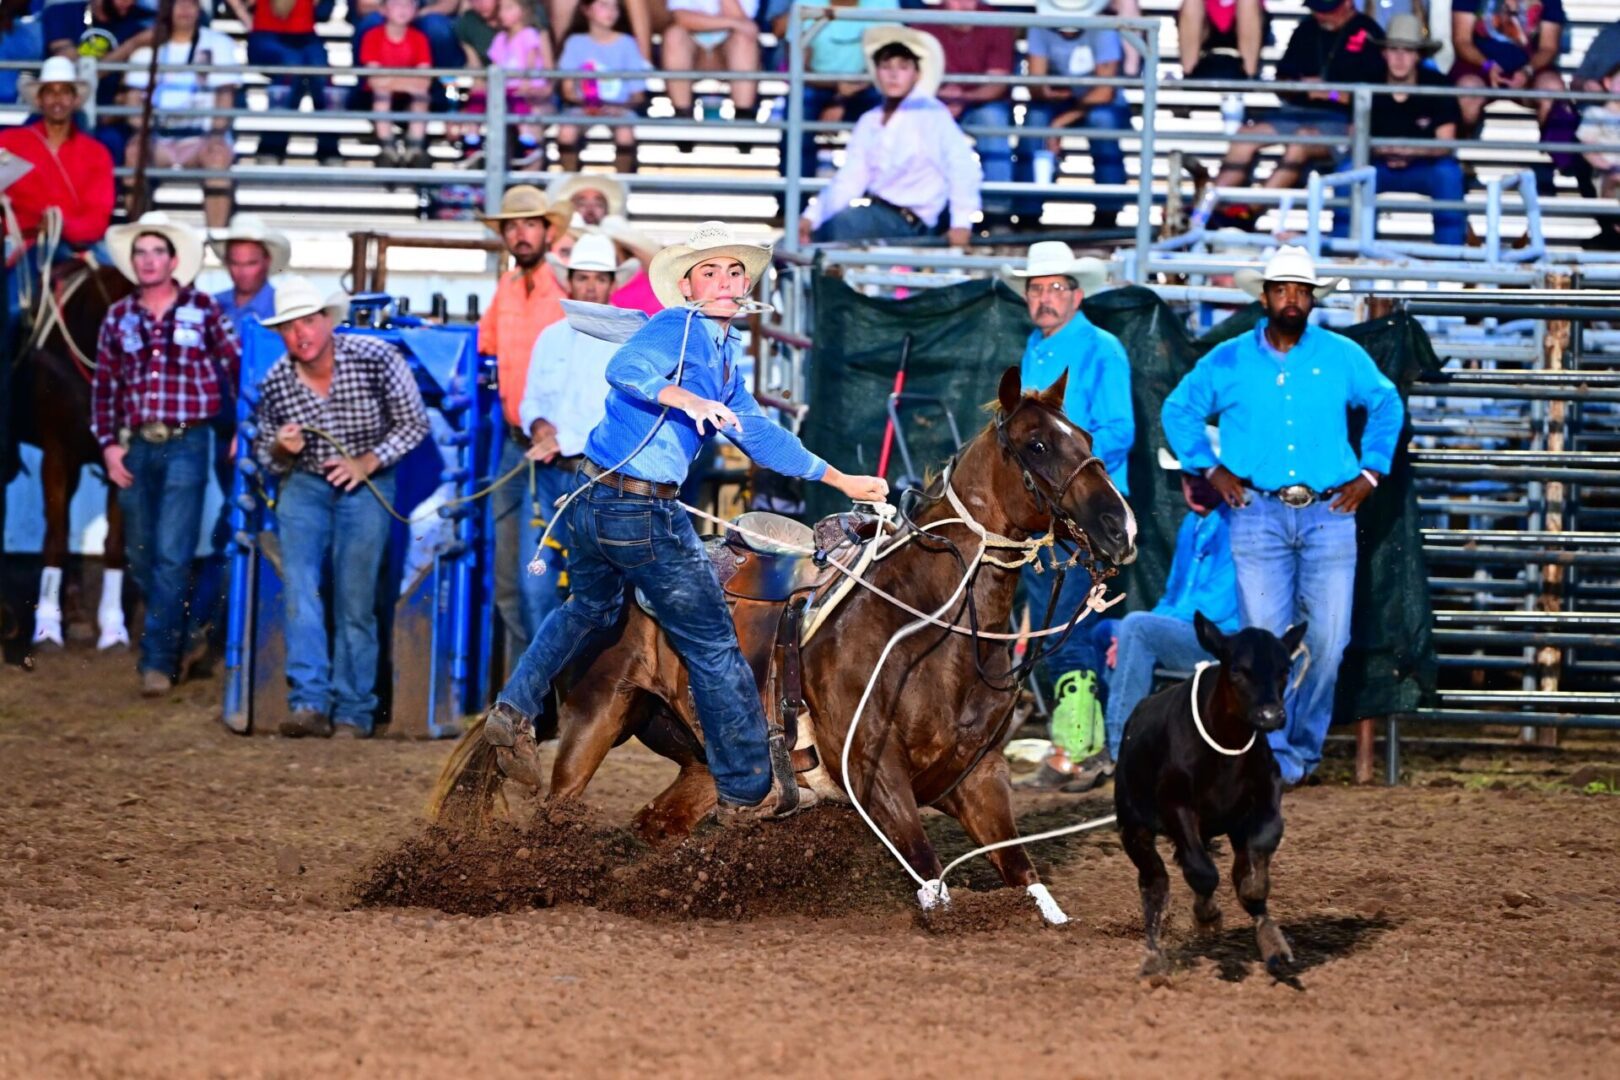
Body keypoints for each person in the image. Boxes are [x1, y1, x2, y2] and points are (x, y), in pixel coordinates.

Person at [481, 220, 890, 823]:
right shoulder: (677, 327)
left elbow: (760, 436)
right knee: (712, 642)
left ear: (745, 285)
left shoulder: (721, 354)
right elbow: (626, 367)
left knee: (588, 608)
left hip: (591, 496)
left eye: (734, 271)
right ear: (688, 286)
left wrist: (839, 480)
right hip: (639, 510)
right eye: (710, 271)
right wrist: (686, 399)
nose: (725, 281)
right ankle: (747, 789)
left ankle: (514, 709)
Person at [1161, 245, 1404, 785]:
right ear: (1265, 297)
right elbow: (1178, 409)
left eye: (1300, 290)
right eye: (1281, 289)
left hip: (1328, 511)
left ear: (1312, 298)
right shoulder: (1228, 359)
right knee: (1264, 643)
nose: (1291, 298)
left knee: (1329, 643)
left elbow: (1386, 402)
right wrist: (1208, 467)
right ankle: (1273, 755)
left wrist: (1371, 473)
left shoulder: (1341, 355)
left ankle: (1298, 752)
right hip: (1258, 512)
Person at [251, 277, 430, 738]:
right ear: (281, 334)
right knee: (301, 589)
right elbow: (263, 453)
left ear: (328, 321)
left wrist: (367, 462)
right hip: (306, 482)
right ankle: (309, 701)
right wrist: (281, 449)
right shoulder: (276, 383)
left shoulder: (376, 358)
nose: (301, 334)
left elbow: (414, 423)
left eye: (308, 322)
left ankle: (354, 708)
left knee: (356, 596)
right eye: (290, 327)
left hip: (368, 482)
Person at [1001, 240, 1135, 787]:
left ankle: (1075, 750)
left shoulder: (1102, 350)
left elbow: (1119, 431)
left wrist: (1067, 473)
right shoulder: (1036, 349)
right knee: (1060, 624)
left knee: (1067, 625)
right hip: (1047, 515)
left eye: (1055, 287)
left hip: (1085, 515)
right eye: (1036, 288)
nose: (1044, 297)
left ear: (1077, 295)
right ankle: (1084, 745)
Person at [91, 211, 240, 697]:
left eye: (157, 252)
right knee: (141, 554)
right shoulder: (118, 316)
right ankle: (183, 634)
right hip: (136, 444)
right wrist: (109, 445)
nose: (148, 260)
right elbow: (105, 387)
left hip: (188, 441)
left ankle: (157, 660)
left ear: (174, 261)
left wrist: (243, 426)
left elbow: (237, 365)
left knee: (173, 555)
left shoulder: (204, 309)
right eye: (141, 252)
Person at [1062, 447, 1241, 793]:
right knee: (1106, 631)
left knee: (1136, 627)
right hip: (1185, 630)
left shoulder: (1235, 525)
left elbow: (1213, 609)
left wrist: (1140, 629)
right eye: (1186, 477)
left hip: (1217, 640)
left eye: (1199, 477)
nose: (1191, 486)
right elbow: (1172, 596)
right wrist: (1125, 636)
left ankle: (1123, 753)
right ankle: (1118, 741)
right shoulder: (1192, 525)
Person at [514, 232, 640, 645]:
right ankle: (545, 678)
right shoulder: (550, 336)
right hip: (548, 475)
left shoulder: (627, 344)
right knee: (535, 586)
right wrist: (537, 424)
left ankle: (585, 675)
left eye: (599, 279)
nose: (590, 287)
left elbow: (619, 419)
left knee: (595, 588)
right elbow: (531, 399)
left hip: (599, 480)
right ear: (569, 281)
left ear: (612, 283)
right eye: (583, 278)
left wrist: (562, 438)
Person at [477, 184, 572, 657]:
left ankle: (548, 682)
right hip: (516, 442)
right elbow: (484, 347)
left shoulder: (566, 287)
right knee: (511, 574)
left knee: (543, 574)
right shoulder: (507, 288)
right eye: (512, 226)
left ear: (547, 231)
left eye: (529, 224)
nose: (520, 234)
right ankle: (525, 686)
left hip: (561, 449)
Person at [1209, 0, 1385, 230]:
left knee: (1301, 141)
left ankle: (1249, 212)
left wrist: (1330, 93)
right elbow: (1282, 80)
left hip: (1339, 119)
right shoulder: (1306, 28)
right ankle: (1207, 208)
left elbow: (1375, 95)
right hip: (1295, 111)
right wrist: (1299, 86)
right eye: (1316, 9)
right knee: (1245, 136)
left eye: (1327, 10)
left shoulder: (1369, 33)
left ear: (1348, 4)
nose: (1320, 15)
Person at [799, 27, 981, 247]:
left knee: (841, 228)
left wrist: (961, 223)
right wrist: (812, 217)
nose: (893, 75)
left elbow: (961, 166)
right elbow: (849, 178)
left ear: (916, 74)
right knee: (794, 241)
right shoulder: (869, 120)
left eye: (903, 67)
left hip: (910, 221)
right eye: (886, 67)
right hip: (873, 214)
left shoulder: (931, 114)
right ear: (876, 72)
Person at [0, 56, 116, 317]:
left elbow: (98, 217)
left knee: (124, 292)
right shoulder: (9, 142)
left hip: (79, 245)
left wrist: (61, 226)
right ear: (40, 100)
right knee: (13, 308)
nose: (57, 100)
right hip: (24, 243)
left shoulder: (96, 153)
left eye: (64, 92)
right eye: (50, 92)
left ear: (74, 100)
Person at [1349, 15, 1467, 247]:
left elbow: (1446, 142)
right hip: (1377, 165)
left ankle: (1451, 255)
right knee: (1347, 173)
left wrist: (1410, 151)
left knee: (1449, 175)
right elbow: (1354, 135)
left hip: (1425, 166)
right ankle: (1347, 252)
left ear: (1418, 55)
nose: (1400, 58)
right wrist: (1384, 151)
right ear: (1384, 53)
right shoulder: (1367, 84)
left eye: (1408, 50)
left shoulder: (1438, 85)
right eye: (1394, 49)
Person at [123, 0, 241, 228]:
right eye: (179, 3)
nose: (185, 9)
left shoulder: (219, 44)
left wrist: (216, 134)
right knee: (134, 152)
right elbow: (133, 101)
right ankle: (136, 232)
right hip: (159, 138)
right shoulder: (148, 45)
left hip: (201, 138)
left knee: (218, 154)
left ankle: (216, 237)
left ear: (199, 9)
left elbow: (225, 97)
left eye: (191, 3)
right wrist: (142, 132)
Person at [1019, 0, 1131, 229]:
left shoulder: (1104, 28)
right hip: (1058, 101)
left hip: (1096, 102)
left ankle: (1108, 210)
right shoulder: (1040, 27)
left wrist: (1059, 123)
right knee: (1035, 120)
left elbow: (1105, 92)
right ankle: (1027, 209)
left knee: (1103, 120)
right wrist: (1046, 92)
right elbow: (1036, 83)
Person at [771, 0, 889, 179]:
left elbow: (889, 58)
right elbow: (797, 65)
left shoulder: (884, 3)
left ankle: (883, 189)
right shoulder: (806, 3)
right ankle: (794, 193)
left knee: (889, 108)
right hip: (816, 85)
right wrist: (839, 92)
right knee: (798, 105)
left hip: (866, 85)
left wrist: (842, 96)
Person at [925, 0, 1015, 223]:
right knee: (919, 120)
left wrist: (962, 97)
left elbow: (997, 84)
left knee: (993, 120)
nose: (964, 4)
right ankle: (927, 212)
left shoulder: (996, 22)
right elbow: (917, 80)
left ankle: (997, 213)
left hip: (980, 104)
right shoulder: (925, 23)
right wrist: (941, 98)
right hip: (935, 103)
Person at [232, 0, 343, 165]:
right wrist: (243, 14)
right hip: (266, 34)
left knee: (322, 73)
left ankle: (329, 148)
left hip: (306, 36)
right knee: (290, 65)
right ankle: (271, 146)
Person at [556, 0, 652, 174]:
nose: (611, 12)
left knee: (625, 133)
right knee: (566, 131)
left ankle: (622, 180)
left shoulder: (627, 44)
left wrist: (617, 107)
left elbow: (638, 93)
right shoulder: (575, 43)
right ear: (587, 10)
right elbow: (568, 90)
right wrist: (590, 104)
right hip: (582, 107)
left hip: (620, 109)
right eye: (604, 5)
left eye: (615, 7)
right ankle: (570, 178)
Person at [1451, 0, 1565, 141]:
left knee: (1553, 89)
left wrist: (1527, 71)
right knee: (1467, 91)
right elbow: (1462, 41)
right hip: (1478, 65)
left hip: (1531, 68)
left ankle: (1554, 148)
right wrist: (1487, 66)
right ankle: (1460, 144)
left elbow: (1548, 48)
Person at [359, 0, 434, 168]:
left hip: (407, 98)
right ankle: (387, 148)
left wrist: (390, 80)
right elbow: (374, 80)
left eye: (408, 5)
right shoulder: (372, 36)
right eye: (396, 4)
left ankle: (415, 147)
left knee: (422, 96)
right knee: (382, 95)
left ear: (415, 10)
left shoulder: (419, 38)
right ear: (384, 10)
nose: (403, 10)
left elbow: (424, 80)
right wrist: (409, 81)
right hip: (373, 97)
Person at [661, 0, 759, 120]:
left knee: (743, 39)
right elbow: (682, 19)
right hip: (694, 52)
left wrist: (706, 20)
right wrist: (733, 23)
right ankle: (682, 113)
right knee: (674, 35)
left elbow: (746, 24)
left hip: (727, 53)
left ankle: (743, 114)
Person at [485, 0, 555, 164]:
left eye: (509, 8)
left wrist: (526, 81)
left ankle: (529, 148)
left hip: (529, 88)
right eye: (501, 9)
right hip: (507, 90)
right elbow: (495, 66)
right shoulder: (500, 38)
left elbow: (531, 60)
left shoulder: (529, 33)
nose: (502, 13)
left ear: (523, 11)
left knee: (524, 111)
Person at [209, 212, 290, 328]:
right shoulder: (211, 306)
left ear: (267, 261)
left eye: (251, 263)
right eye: (235, 263)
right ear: (226, 262)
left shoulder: (284, 309)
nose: (243, 272)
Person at [1178, 0, 1267, 79]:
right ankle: (1189, 75)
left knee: (1248, 3)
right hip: (1206, 24)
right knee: (1191, 3)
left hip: (1244, 21)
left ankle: (1249, 76)